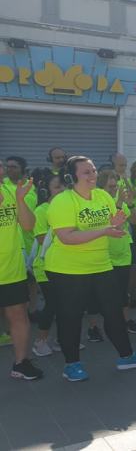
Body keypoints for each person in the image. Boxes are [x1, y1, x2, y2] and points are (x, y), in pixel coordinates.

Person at [45, 156, 136, 382]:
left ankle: (127, 356)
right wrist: (105, 230)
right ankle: (71, 364)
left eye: (93, 170)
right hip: (68, 270)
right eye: (86, 172)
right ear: (71, 177)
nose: (93, 175)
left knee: (114, 311)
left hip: (101, 265)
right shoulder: (63, 201)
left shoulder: (103, 196)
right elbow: (67, 237)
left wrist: (115, 222)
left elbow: (108, 224)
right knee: (71, 317)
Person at [0, 160, 43, 380]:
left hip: (12, 270)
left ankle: (21, 363)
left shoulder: (9, 191)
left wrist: (19, 199)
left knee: (19, 316)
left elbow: (28, 225)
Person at [97, 170, 136, 335]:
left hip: (123, 252)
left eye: (115, 185)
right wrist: (119, 203)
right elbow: (112, 223)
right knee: (102, 293)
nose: (113, 188)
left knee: (123, 291)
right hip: (104, 253)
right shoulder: (98, 202)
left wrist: (130, 204)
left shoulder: (122, 202)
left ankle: (124, 322)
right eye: (110, 185)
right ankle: (94, 327)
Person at [31, 170, 68, 357]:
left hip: (65, 265)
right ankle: (40, 342)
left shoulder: (68, 208)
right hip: (45, 266)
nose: (62, 190)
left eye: (63, 186)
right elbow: (40, 239)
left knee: (63, 303)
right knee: (53, 303)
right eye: (57, 187)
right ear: (47, 190)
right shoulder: (41, 210)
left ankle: (61, 340)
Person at [4, 156, 38, 315]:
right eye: (7, 166)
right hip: (11, 245)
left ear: (22, 170)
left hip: (28, 241)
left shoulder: (28, 187)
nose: (9, 169)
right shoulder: (4, 186)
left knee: (30, 279)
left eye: (14, 167)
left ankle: (32, 309)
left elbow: (27, 209)